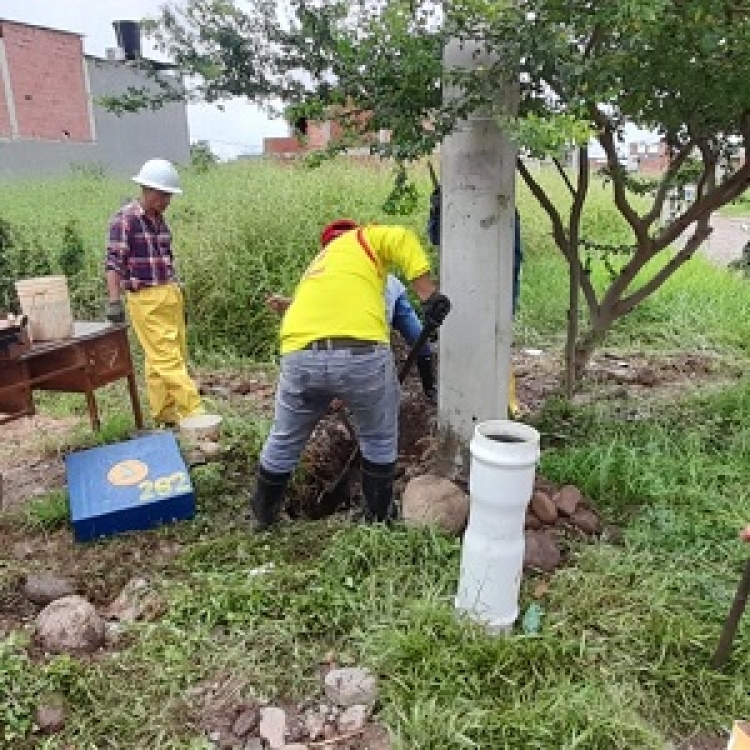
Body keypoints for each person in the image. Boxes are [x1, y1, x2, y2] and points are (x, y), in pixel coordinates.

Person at [254, 219, 450, 530]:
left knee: (283, 440)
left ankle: (263, 521)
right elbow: (400, 237)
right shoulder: (364, 238)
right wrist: (428, 295)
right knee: (378, 437)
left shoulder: (318, 266)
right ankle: (376, 519)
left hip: (299, 357)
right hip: (360, 354)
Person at [104, 158, 205, 427]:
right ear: (148, 190)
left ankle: (164, 413)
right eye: (164, 195)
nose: (167, 201)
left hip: (168, 292)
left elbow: (166, 259)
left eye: (169, 195)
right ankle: (195, 413)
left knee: (166, 356)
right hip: (145, 297)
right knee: (166, 357)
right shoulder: (125, 220)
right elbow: (114, 262)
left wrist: (176, 289)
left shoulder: (159, 221)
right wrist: (114, 302)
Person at [427, 183, 524, 414]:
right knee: (471, 342)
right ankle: (472, 400)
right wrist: (437, 211)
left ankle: (504, 403)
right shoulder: (450, 203)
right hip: (464, 287)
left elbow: (512, 255)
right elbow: (437, 237)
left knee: (493, 342)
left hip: (494, 286)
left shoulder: (503, 211)